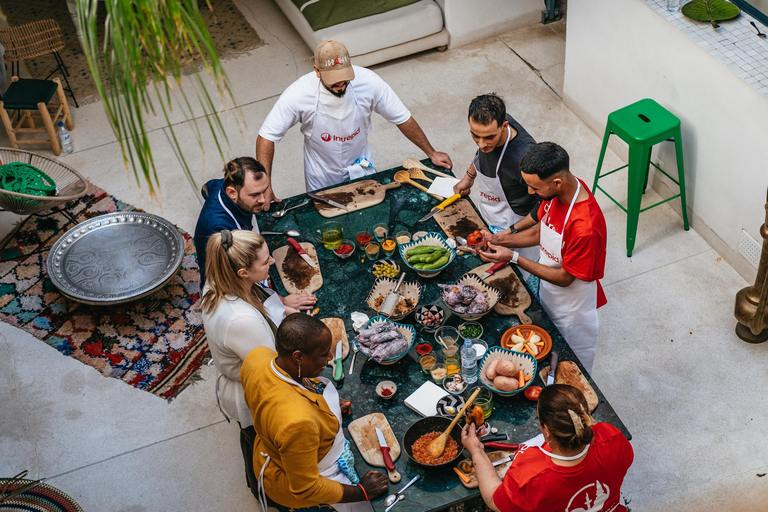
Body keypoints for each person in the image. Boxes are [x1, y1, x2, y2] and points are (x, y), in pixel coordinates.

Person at [256, 39, 452, 196]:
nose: (340, 85)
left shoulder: (369, 82)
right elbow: (267, 136)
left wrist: (431, 152)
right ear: (317, 71)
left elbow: (402, 118)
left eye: (344, 78)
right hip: (321, 176)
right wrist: (265, 187)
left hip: (361, 166)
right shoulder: (298, 94)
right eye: (333, 81)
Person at [478, 142, 607, 372]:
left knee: (566, 367)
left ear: (556, 183)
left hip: (571, 308)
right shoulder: (560, 192)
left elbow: (565, 278)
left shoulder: (585, 227)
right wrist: (502, 238)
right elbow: (540, 228)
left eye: (534, 188)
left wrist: (513, 258)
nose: (530, 192)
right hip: (548, 291)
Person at [241, 313, 388, 512]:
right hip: (315, 479)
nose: (329, 359)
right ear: (298, 357)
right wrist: (361, 491)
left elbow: (280, 392)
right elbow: (306, 487)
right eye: (323, 354)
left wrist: (326, 407)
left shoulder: (257, 357)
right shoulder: (298, 422)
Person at [201, 229, 297, 498]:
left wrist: (282, 308)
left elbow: (260, 298)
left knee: (250, 441)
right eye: (266, 262)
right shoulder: (241, 321)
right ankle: (265, 491)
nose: (272, 263)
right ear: (243, 272)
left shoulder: (218, 279)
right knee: (261, 446)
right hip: (253, 395)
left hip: (237, 375)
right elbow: (273, 371)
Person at [461, 384, 633, 512]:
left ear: (547, 433)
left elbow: (493, 500)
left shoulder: (531, 475)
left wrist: (476, 451)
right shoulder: (612, 438)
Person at [194, 157, 316, 312]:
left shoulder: (224, 185)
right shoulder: (218, 228)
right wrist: (282, 302)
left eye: (265, 190)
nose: (263, 199)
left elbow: (208, 187)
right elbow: (240, 282)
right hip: (227, 288)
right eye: (254, 195)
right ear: (232, 192)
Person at [453, 93, 540, 280]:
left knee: (512, 279)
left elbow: (545, 207)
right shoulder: (491, 123)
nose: (482, 143)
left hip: (516, 226)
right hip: (490, 215)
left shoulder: (525, 158)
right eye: (475, 136)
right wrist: (469, 176)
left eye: (489, 138)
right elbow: (482, 152)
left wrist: (511, 232)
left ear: (504, 126)